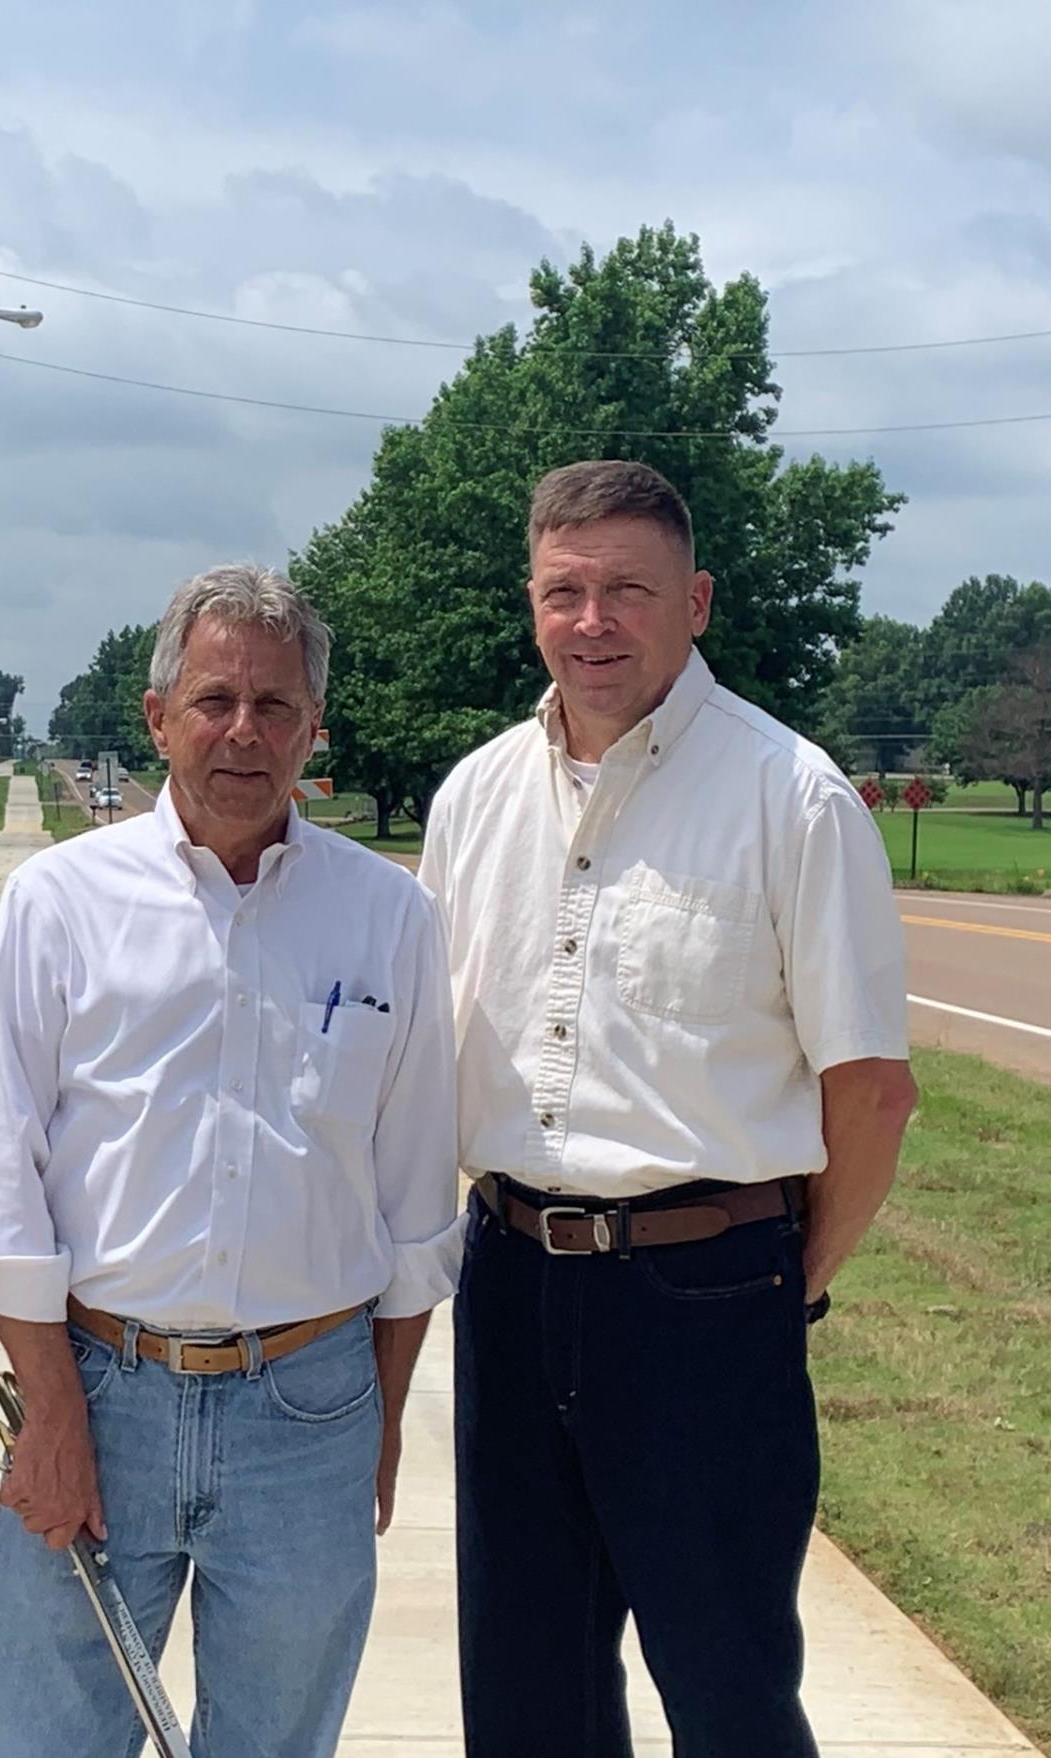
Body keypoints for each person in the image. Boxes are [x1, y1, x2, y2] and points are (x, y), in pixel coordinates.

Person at [418, 459, 917, 1757]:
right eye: (564, 591)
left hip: (705, 1297)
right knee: (527, 1694)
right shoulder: (473, 799)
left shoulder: (791, 797)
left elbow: (872, 1088)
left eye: (627, 591)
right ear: (530, 604)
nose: (594, 622)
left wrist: (788, 1282)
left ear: (694, 601)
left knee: (728, 1687)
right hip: (511, 1277)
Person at [0, 563, 460, 1758]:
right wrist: (53, 1413)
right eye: (215, 699)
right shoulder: (60, 901)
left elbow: (415, 1202)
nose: (244, 732)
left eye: (276, 707)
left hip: (309, 1403)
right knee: (42, 1744)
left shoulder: (389, 918)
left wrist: (373, 1422)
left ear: (314, 729)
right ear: (157, 714)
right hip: (100, 1390)